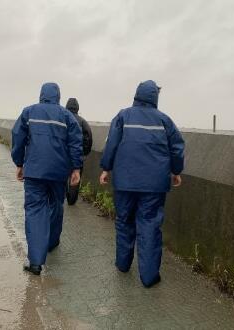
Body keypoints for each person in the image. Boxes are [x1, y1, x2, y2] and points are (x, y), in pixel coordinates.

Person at [99, 80, 185, 288]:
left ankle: (123, 264)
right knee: (149, 225)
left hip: (125, 182)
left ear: (136, 95)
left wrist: (106, 168)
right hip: (154, 185)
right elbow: (177, 148)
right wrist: (176, 171)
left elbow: (112, 144)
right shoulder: (164, 121)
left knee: (124, 221)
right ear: (155, 97)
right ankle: (148, 277)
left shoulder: (123, 116)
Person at [11, 82, 83, 275]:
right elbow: (76, 143)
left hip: (34, 170)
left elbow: (17, 137)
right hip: (59, 173)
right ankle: (51, 243)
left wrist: (19, 163)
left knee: (35, 210)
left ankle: (36, 261)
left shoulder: (29, 112)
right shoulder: (67, 116)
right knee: (56, 205)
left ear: (41, 95)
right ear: (58, 96)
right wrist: (75, 168)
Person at [65, 98, 93, 205]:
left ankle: (61, 194)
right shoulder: (82, 121)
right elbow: (88, 138)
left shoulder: (63, 118)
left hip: (62, 154)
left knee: (62, 176)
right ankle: (71, 200)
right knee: (75, 176)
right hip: (77, 155)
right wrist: (84, 152)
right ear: (77, 108)